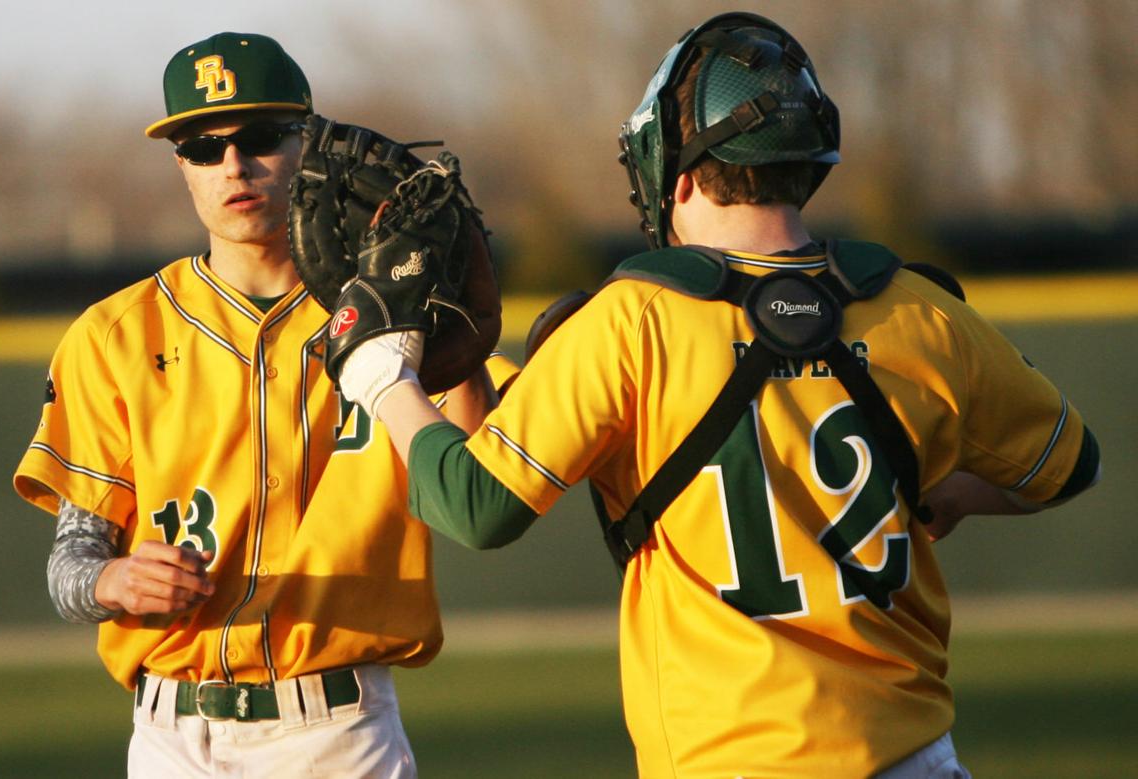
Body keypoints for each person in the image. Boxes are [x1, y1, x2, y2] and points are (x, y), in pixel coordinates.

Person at [333, 12, 1102, 778]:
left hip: (733, 758)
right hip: (918, 757)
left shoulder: (630, 321)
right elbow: (1069, 467)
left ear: (679, 172)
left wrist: (382, 376)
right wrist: (952, 495)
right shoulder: (923, 312)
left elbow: (475, 504)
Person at [13, 31, 508, 778]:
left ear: (308, 143)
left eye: (261, 137)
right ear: (181, 165)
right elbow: (70, 565)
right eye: (202, 147)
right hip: (171, 737)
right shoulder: (115, 335)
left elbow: (481, 491)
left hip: (337, 733)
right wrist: (111, 581)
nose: (233, 165)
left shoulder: (391, 314)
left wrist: (454, 344)